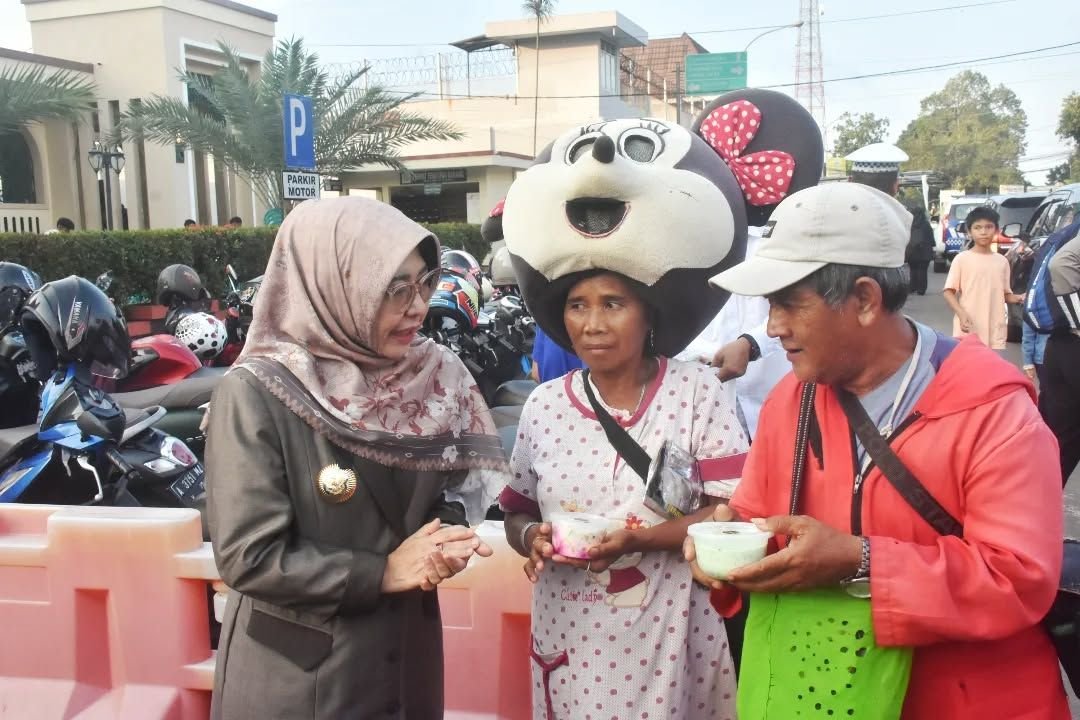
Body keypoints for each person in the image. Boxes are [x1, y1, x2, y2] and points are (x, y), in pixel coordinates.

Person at [693, 181, 1067, 719]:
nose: (773, 328)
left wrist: (860, 560)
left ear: (866, 300)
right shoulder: (791, 400)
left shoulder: (993, 412)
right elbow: (757, 516)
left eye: (789, 304)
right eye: (770, 306)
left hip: (965, 700)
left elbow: (1019, 578)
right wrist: (730, 548)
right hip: (828, 696)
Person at [205, 197, 509, 719]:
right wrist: (382, 572)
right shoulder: (259, 391)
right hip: (302, 682)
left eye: (424, 283)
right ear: (333, 286)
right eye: (395, 288)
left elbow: (448, 490)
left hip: (406, 661)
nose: (418, 307)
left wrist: (443, 538)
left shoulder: (433, 376)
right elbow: (248, 556)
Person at [943, 206, 1024, 349]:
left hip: (994, 328)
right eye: (977, 227)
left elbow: (1005, 294)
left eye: (988, 227)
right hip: (968, 327)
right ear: (969, 232)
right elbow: (948, 292)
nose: (983, 232)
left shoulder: (1002, 261)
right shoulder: (962, 259)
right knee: (969, 362)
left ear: (996, 230)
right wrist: (961, 313)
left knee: (990, 363)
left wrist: (1020, 298)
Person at [1040, 218, 1080, 485]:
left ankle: (1033, 505)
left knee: (1057, 444)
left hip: (1061, 344)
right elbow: (1062, 264)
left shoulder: (1069, 230)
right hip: (1072, 341)